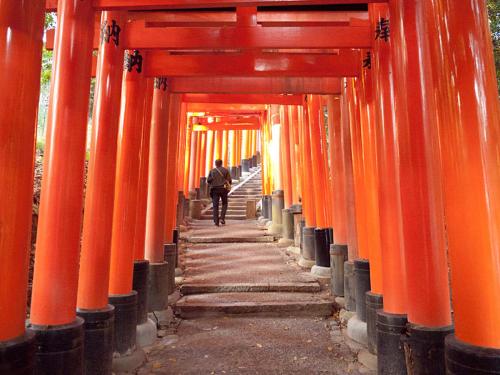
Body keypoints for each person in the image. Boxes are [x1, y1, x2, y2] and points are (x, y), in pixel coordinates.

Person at [207, 159, 232, 226]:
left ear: (215, 164)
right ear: (221, 163)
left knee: (215, 205)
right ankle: (222, 218)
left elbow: (208, 180)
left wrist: (213, 181)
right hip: (223, 189)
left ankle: (216, 221)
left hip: (214, 189)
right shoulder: (225, 170)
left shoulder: (212, 171)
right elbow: (229, 180)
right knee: (224, 203)